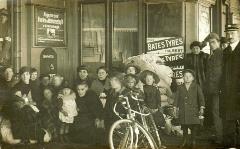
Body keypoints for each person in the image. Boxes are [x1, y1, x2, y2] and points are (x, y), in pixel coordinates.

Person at [9, 66, 43, 144]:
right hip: (20, 108)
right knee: (27, 112)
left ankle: (35, 135)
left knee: (34, 112)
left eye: (27, 74)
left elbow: (37, 99)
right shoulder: (17, 86)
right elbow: (15, 99)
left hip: (32, 105)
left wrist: (34, 103)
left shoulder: (33, 85)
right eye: (23, 74)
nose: (25, 76)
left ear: (29, 75)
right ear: (20, 76)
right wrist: (23, 101)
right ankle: (25, 137)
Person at [220, 24, 240, 147]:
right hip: (227, 93)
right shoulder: (226, 51)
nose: (230, 35)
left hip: (238, 92)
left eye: (233, 33)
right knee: (228, 120)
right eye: (228, 33)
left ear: (238, 33)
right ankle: (230, 145)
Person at [173, 69, 205, 148]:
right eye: (185, 76)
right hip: (183, 110)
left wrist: (202, 108)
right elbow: (176, 98)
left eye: (189, 76)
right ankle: (184, 140)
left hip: (194, 110)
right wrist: (175, 107)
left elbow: (201, 98)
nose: (187, 78)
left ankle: (193, 141)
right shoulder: (180, 87)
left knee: (194, 126)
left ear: (193, 78)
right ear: (183, 78)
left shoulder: (196, 86)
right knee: (184, 127)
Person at [70, 81, 103, 146]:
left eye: (82, 89)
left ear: (87, 88)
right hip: (80, 118)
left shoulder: (92, 95)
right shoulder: (77, 96)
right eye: (78, 89)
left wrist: (97, 118)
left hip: (90, 118)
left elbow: (97, 110)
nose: (80, 91)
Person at [204, 33, 223, 144]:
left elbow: (220, 73)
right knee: (215, 112)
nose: (211, 45)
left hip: (217, 89)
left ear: (218, 42)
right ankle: (218, 135)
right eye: (210, 42)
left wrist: (220, 88)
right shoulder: (213, 54)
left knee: (217, 112)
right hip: (212, 89)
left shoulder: (220, 54)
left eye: (213, 42)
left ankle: (220, 138)